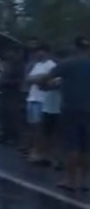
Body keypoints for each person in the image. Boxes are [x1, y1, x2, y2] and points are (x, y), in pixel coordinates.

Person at [34, 36, 90, 191]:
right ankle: (85, 181)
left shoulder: (69, 63)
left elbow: (47, 78)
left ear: (74, 47)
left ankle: (71, 181)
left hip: (71, 108)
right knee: (86, 147)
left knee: (72, 146)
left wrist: (42, 84)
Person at [23, 44, 56, 163]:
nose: (37, 54)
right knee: (32, 127)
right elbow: (29, 79)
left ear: (45, 52)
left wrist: (39, 78)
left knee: (40, 128)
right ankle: (35, 149)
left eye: (39, 51)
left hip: (42, 100)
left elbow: (48, 79)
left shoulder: (51, 65)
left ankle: (40, 152)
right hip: (32, 98)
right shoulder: (37, 65)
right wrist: (39, 78)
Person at [0, 47, 25, 145]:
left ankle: (14, 138)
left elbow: (20, 81)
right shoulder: (8, 64)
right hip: (4, 91)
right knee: (3, 113)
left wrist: (7, 82)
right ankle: (4, 135)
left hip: (13, 93)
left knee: (12, 115)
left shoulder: (19, 66)